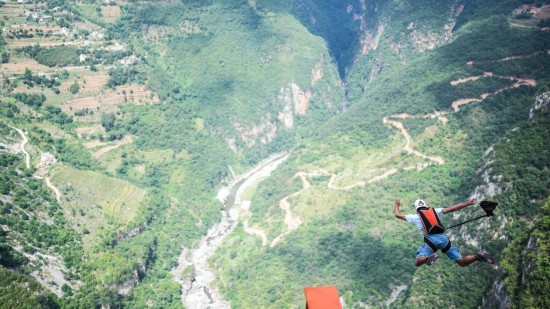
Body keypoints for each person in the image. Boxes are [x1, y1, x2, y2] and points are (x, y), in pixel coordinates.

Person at [394, 198, 494, 267]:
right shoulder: (435, 211)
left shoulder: (415, 217)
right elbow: (453, 208)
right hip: (444, 239)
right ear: (425, 205)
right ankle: (478, 256)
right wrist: (468, 203)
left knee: (418, 262)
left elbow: (398, 215)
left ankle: (428, 257)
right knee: (462, 262)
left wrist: (397, 205)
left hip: (430, 241)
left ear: (416, 208)